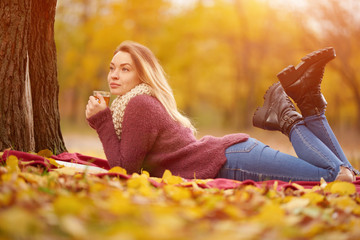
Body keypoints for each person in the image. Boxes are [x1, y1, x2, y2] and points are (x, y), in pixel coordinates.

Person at [86, 41, 358, 182]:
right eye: (112, 67)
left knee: (337, 176)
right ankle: (309, 101)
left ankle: (286, 118)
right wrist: (105, 121)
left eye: (125, 69)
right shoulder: (134, 105)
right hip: (235, 156)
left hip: (233, 161)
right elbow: (127, 156)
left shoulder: (139, 105)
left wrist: (101, 121)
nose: (114, 75)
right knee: (350, 177)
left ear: (142, 75)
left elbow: (125, 169)